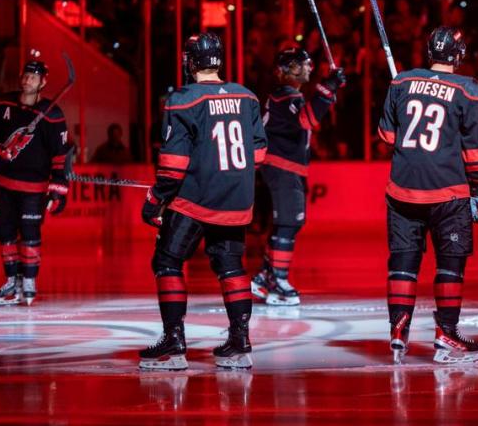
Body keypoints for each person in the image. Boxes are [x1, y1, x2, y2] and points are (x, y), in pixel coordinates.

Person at [138, 33, 267, 370]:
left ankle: (174, 343)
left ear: (192, 62)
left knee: (167, 262)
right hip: (236, 201)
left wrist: (154, 199)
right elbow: (260, 154)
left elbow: (173, 166)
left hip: (195, 200)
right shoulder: (247, 97)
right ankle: (240, 342)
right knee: (231, 267)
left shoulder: (183, 99)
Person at [378, 26, 478, 364]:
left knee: (403, 260)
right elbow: (477, 154)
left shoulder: (400, 81)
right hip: (448, 192)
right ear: (458, 55)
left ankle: (398, 330)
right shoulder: (471, 90)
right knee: (450, 263)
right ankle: (446, 333)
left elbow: (386, 135)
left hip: (402, 189)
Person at [250, 48, 346, 305]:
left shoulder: (288, 96)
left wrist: (329, 88)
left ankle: (264, 277)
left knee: (287, 222)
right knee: (289, 223)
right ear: (286, 70)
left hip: (284, 166)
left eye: (308, 64)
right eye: (301, 65)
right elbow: (308, 120)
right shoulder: (286, 96)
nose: (307, 69)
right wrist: (328, 88)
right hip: (282, 167)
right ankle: (278, 282)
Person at [0, 59, 70, 306]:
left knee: (31, 233)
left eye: (33, 77)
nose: (27, 80)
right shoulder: (4, 104)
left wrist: (58, 188)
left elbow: (60, 154)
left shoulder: (52, 114)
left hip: (33, 187)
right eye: (25, 75)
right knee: (5, 232)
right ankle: (12, 280)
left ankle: (29, 281)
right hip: (4, 183)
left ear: (42, 82)